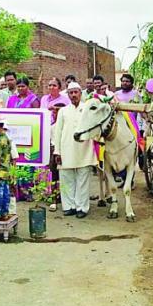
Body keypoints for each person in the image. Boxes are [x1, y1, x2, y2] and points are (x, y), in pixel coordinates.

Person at [54, 82, 97, 218]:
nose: (73, 95)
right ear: (67, 95)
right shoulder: (63, 111)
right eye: (71, 93)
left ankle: (82, 208)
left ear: (80, 93)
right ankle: (69, 206)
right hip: (66, 149)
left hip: (84, 149)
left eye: (75, 92)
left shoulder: (88, 108)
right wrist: (57, 151)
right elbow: (58, 132)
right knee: (66, 179)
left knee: (82, 180)